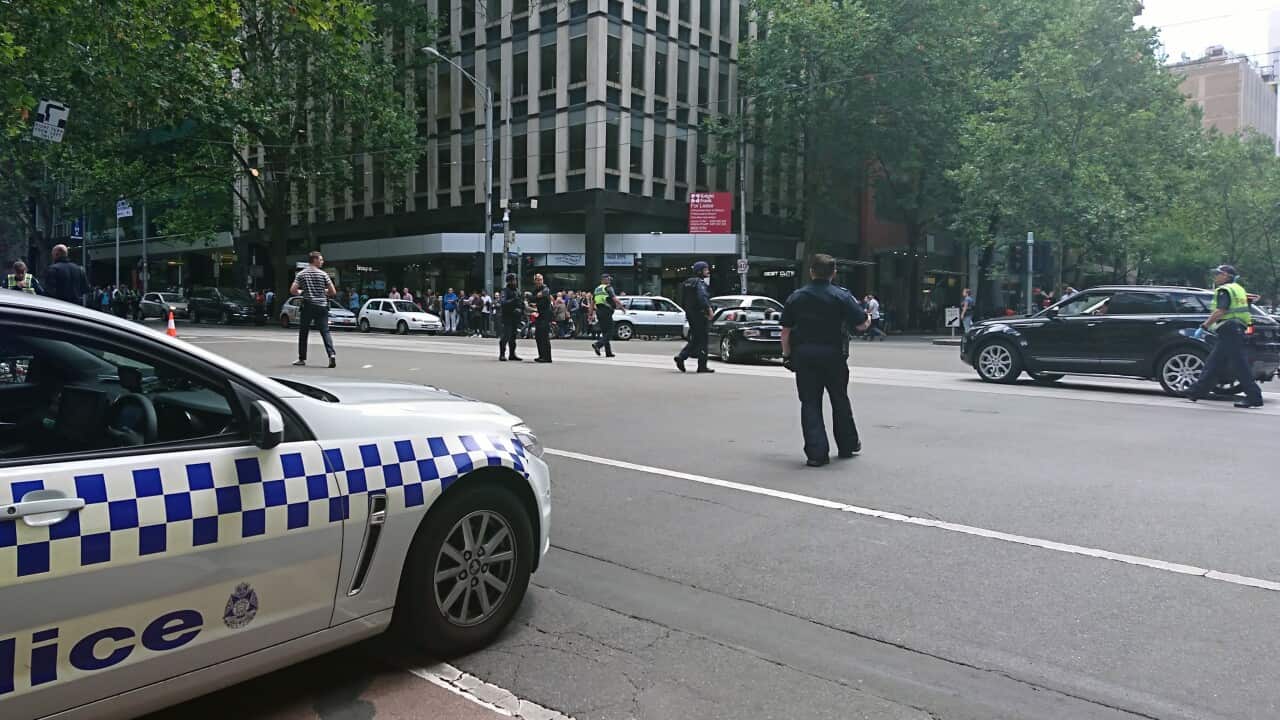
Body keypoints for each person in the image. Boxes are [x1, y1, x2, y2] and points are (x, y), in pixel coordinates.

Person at [780, 254, 872, 467]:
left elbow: (785, 331)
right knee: (839, 399)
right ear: (834, 273)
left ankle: (816, 453)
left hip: (804, 356)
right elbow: (860, 325)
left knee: (810, 402)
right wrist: (867, 318)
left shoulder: (796, 297)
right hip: (834, 355)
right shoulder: (841, 296)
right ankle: (847, 444)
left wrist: (786, 355)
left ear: (811, 271)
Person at [1184, 264, 1264, 409]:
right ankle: (1195, 391)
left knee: (1239, 365)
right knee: (1214, 362)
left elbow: (1221, 310)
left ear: (1226, 276)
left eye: (1218, 274)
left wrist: (1204, 326)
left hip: (1230, 328)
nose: (1215, 276)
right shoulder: (1238, 288)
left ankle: (1254, 397)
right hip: (1234, 328)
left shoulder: (1224, 290)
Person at [290, 251, 338, 368]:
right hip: (322, 306)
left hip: (308, 305)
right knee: (325, 331)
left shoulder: (301, 274)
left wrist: (302, 292)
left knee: (304, 332)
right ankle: (331, 354)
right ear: (315, 260)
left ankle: (302, 358)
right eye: (321, 260)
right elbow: (333, 292)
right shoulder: (324, 274)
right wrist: (324, 292)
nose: (322, 262)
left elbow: (293, 290)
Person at [674, 261, 714, 373]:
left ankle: (681, 357)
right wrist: (709, 310)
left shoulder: (686, 283)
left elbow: (681, 298)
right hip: (700, 313)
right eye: (706, 269)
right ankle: (702, 366)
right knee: (703, 340)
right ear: (700, 271)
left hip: (690, 313)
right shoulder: (699, 283)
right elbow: (702, 297)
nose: (708, 271)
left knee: (696, 338)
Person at [590, 274, 623, 357]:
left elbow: (592, 303)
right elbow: (615, 299)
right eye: (608, 279)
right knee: (611, 331)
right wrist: (622, 307)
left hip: (599, 311)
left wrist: (590, 314)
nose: (609, 281)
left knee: (605, 332)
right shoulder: (608, 288)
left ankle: (608, 352)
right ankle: (598, 344)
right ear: (604, 280)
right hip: (606, 311)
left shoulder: (597, 289)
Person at [498, 274, 524, 361]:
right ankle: (502, 354)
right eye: (513, 280)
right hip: (507, 316)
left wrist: (521, 309)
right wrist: (513, 300)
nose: (514, 282)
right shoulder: (505, 291)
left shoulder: (517, 290)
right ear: (508, 281)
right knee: (506, 336)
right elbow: (503, 303)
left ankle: (512, 354)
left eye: (515, 280)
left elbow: (521, 302)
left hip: (515, 317)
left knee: (513, 336)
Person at [531, 274, 553, 363]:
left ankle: (547, 357)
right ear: (535, 281)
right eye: (537, 280)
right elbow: (531, 298)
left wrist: (535, 300)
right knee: (538, 336)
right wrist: (535, 298)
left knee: (544, 336)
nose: (539, 281)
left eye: (540, 279)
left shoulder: (545, 289)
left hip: (546, 315)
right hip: (540, 315)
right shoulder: (536, 290)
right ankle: (541, 355)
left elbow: (545, 293)